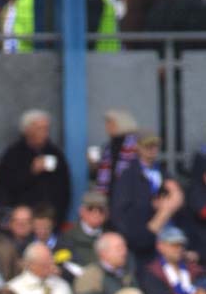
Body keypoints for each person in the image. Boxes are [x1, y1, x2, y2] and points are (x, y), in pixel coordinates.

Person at [111, 129, 185, 269]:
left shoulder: (163, 172)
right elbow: (122, 212)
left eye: (155, 146)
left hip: (166, 231)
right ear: (138, 148)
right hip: (143, 237)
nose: (152, 150)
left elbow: (176, 201)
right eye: (147, 146)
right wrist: (153, 207)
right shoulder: (128, 176)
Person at [0, 109, 71, 227]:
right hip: (23, 218)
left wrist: (59, 216)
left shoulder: (55, 153)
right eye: (40, 129)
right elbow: (5, 184)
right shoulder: (14, 154)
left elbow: (64, 187)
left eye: (47, 129)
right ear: (27, 130)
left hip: (50, 219)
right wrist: (31, 171)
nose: (45, 133)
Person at [95, 109, 138, 203]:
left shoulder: (135, 145)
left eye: (111, 124)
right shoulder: (108, 147)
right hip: (111, 198)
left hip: (130, 196)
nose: (107, 127)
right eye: (107, 124)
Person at [64, 190, 109, 268]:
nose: (96, 213)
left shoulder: (111, 238)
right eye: (90, 208)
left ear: (107, 213)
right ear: (81, 211)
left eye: (101, 209)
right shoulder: (67, 237)